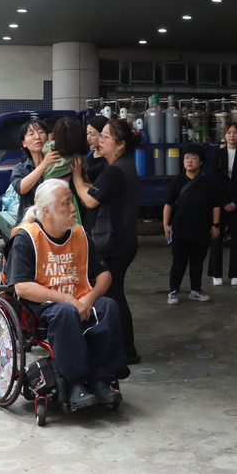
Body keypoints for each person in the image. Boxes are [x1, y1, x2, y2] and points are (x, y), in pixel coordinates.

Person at [6, 179, 124, 408]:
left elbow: (104, 275)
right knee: (65, 312)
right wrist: (70, 300)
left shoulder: (79, 234)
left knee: (108, 306)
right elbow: (22, 287)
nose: (73, 208)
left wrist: (89, 298)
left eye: (72, 202)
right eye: (66, 203)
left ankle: (101, 379)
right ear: (46, 212)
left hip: (80, 299)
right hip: (42, 307)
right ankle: (74, 384)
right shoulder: (26, 238)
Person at [72, 119, 142, 365]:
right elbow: (98, 190)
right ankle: (122, 348)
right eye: (99, 136)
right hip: (122, 241)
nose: (99, 141)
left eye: (104, 137)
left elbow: (90, 200)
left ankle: (126, 350)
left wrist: (76, 177)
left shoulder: (115, 170)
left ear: (120, 144)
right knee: (114, 294)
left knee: (113, 296)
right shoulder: (122, 165)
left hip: (114, 243)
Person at [163, 143, 222, 304]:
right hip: (180, 230)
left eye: (193, 158)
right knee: (178, 263)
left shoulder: (208, 182)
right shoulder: (177, 181)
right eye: (186, 157)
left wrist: (215, 225)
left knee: (197, 263)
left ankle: (195, 290)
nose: (189, 161)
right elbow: (168, 205)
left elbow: (216, 205)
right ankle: (173, 291)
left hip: (202, 230)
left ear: (201, 162)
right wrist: (166, 225)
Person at [208, 122, 237, 286]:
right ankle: (216, 273)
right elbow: (215, 179)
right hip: (220, 203)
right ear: (224, 135)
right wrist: (225, 201)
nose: (232, 135)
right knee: (216, 238)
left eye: (235, 132)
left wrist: (235, 202)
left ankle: (235, 274)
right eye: (229, 132)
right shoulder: (217, 154)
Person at [10, 118, 61, 224]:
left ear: (48, 138)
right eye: (31, 134)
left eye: (41, 132)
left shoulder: (58, 162)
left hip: (56, 223)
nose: (37, 137)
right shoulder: (20, 168)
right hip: (30, 224)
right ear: (24, 143)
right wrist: (44, 165)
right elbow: (21, 188)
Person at [86, 115, 109, 182]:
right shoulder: (90, 154)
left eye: (92, 134)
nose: (88, 138)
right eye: (87, 134)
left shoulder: (109, 159)